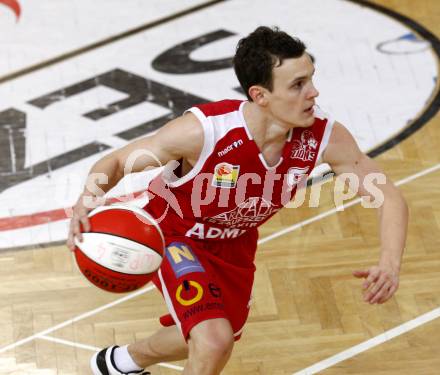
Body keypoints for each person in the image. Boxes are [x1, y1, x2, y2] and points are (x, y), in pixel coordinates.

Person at [67, 26, 408, 375]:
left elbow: (388, 196)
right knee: (213, 340)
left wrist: (389, 262)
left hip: (236, 244)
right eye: (297, 85)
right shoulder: (204, 132)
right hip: (175, 234)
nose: (313, 93)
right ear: (260, 95)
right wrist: (87, 199)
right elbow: (120, 162)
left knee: (215, 336)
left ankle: (121, 362)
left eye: (311, 79)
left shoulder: (325, 137)